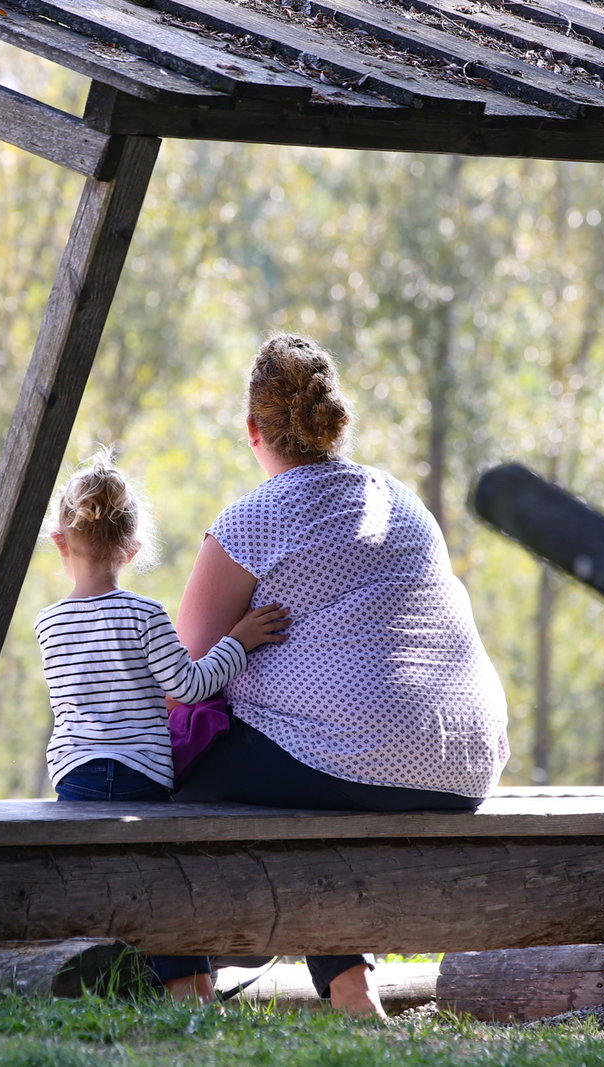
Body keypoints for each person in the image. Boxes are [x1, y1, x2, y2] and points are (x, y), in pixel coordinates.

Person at [171, 334, 510, 1018]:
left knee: (156, 768)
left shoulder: (253, 519)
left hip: (351, 759)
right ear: (333, 422)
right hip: (463, 766)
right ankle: (352, 988)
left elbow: (183, 675)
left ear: (252, 429)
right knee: (316, 777)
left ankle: (184, 982)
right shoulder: (400, 499)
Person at [35, 450, 289, 1003]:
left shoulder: (48, 624)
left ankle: (109, 984)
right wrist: (240, 641)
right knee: (162, 877)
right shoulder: (145, 614)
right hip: (141, 776)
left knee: (103, 878)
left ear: (60, 542)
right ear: (133, 549)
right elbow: (190, 687)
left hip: (74, 777)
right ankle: (188, 987)